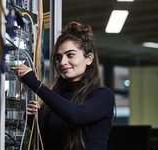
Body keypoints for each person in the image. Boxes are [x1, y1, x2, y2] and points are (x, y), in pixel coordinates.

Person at [12, 22, 115, 150]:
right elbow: (45, 142)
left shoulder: (103, 96)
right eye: (58, 58)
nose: (63, 62)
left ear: (89, 58)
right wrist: (34, 119)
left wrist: (34, 83)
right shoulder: (56, 97)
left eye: (70, 55)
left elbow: (77, 115)